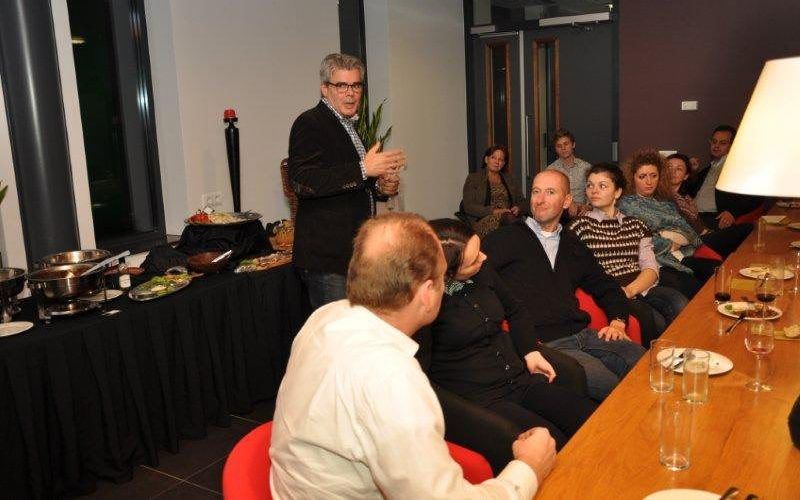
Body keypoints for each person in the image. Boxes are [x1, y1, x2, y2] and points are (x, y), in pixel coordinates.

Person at [270, 212, 556, 499]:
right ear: (428, 293)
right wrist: (528, 467)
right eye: (443, 278)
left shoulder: (325, 317)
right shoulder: (394, 381)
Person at [424, 218, 596, 450]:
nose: (484, 258)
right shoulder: (425, 304)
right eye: (473, 260)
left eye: (480, 251)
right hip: (482, 399)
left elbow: (515, 310)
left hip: (520, 378)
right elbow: (424, 378)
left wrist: (530, 350)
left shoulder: (483, 272)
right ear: (445, 273)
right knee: (554, 442)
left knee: (589, 417)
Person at [482, 170, 646, 401]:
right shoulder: (504, 239)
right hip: (547, 344)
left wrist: (618, 322)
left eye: (550, 192)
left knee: (646, 364)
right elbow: (475, 281)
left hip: (586, 335)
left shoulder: (572, 244)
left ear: (567, 201)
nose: (540, 199)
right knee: (614, 390)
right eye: (536, 192)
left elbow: (605, 285)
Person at [288, 53, 406, 309]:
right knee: (338, 341)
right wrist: (365, 168)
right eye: (341, 85)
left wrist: (381, 187)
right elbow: (303, 182)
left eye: (356, 85)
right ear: (325, 89)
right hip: (326, 260)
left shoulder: (349, 127)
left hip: (353, 256)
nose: (350, 93)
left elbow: (353, 183)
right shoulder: (310, 123)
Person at [569, 163, 688, 347]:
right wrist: (620, 293)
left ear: (617, 192)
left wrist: (631, 290)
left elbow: (650, 267)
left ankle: (678, 359)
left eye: (602, 186)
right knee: (654, 321)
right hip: (610, 291)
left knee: (680, 303)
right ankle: (651, 367)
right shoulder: (579, 227)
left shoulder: (636, 225)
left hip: (639, 286)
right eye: (590, 185)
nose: (594, 191)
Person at [617, 149, 719, 299]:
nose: (649, 182)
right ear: (633, 178)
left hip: (681, 255)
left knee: (716, 272)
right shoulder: (626, 204)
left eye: (653, 176)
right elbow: (639, 238)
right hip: (658, 263)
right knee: (695, 290)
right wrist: (669, 243)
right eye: (642, 176)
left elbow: (690, 232)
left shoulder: (665, 203)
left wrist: (669, 236)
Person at [666, 152, 751, 257]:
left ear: (685, 176)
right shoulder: (661, 196)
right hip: (688, 240)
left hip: (700, 235)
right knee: (745, 229)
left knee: (746, 229)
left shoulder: (687, 199)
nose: (672, 172)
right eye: (669, 167)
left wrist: (707, 232)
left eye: (678, 169)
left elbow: (698, 225)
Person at [684, 125, 763, 230]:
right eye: (714, 141)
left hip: (713, 218)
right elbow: (686, 191)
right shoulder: (707, 170)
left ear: (732, 145)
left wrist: (733, 212)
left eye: (722, 143)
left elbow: (756, 195)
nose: (716, 146)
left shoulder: (738, 167)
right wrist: (692, 172)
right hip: (695, 216)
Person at [462, 145, 527, 237]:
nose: (497, 162)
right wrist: (494, 211)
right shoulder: (473, 178)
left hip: (509, 217)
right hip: (483, 220)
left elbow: (523, 201)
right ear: (486, 160)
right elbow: (468, 207)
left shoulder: (510, 179)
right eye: (493, 158)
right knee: (515, 226)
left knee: (511, 223)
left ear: (504, 163)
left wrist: (518, 208)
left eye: (501, 159)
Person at [546, 129, 591, 217]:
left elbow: (594, 192)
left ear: (573, 145)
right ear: (555, 149)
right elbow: (548, 196)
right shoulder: (550, 171)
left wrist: (588, 207)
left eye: (566, 144)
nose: (563, 148)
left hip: (583, 213)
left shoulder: (586, 168)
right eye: (559, 146)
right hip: (559, 214)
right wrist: (568, 204)